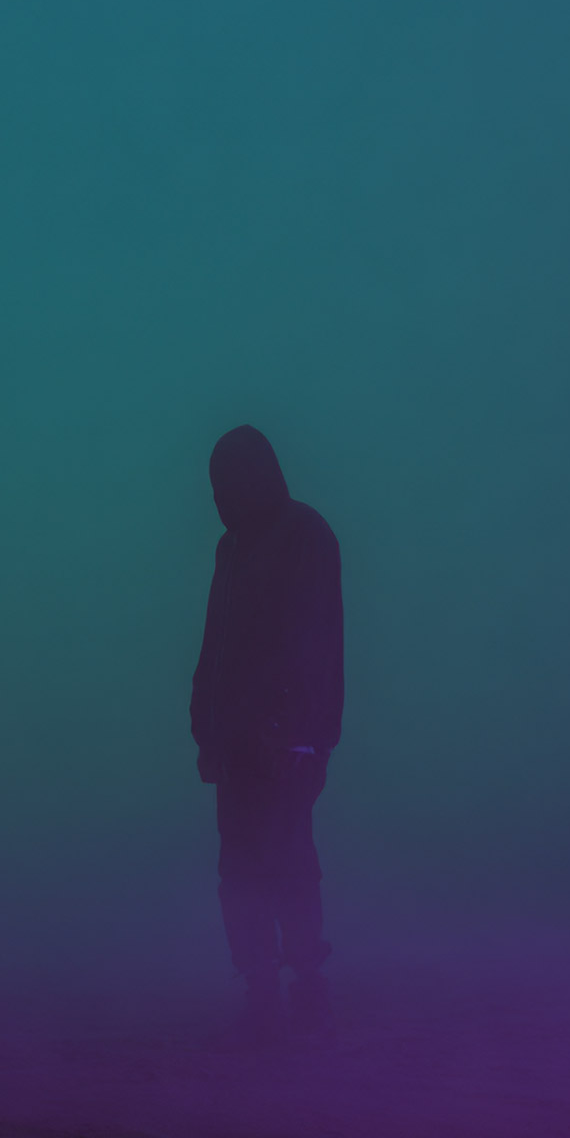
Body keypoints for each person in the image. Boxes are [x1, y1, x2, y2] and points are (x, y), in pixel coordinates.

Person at [190, 425, 344, 1046]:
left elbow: (318, 638)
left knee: (288, 862)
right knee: (240, 867)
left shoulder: (304, 533)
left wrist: (304, 734)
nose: (222, 493)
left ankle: (307, 986)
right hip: (235, 744)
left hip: (289, 743)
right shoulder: (232, 546)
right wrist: (205, 725)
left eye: (231, 478)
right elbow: (217, 642)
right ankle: (258, 987)